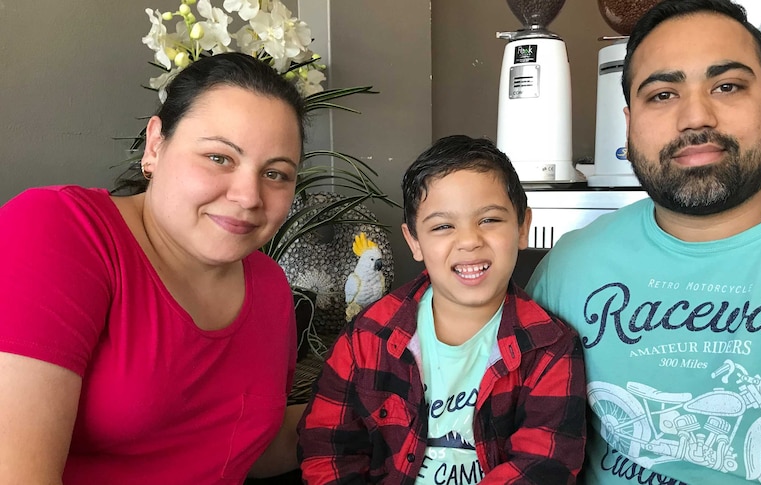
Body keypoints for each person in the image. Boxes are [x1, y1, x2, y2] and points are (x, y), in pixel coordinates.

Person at [526, 0, 761, 483]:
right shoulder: (570, 268)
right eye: (662, 94)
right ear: (629, 121)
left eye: (726, 86)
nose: (696, 116)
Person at [0, 52, 306, 484]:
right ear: (156, 145)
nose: (249, 196)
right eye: (219, 158)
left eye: (275, 174)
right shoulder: (58, 229)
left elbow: (236, 452)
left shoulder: (270, 284)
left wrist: (373, 409)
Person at [298, 135, 587, 484]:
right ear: (414, 242)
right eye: (443, 226)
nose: (468, 240)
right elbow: (326, 451)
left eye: (490, 220)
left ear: (523, 227)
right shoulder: (367, 336)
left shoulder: (551, 346)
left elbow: (544, 466)